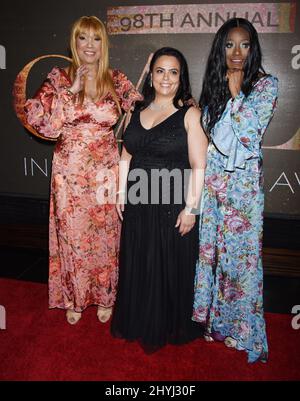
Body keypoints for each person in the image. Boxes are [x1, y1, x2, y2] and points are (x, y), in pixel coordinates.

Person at [24, 16, 142, 324]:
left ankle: (105, 296)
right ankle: (75, 298)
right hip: (70, 172)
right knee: (74, 237)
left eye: (96, 39)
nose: (89, 46)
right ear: (74, 43)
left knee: (105, 237)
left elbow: (146, 108)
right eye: (83, 39)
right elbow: (44, 127)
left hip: (106, 168)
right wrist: (69, 91)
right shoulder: (58, 80)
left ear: (105, 44)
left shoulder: (116, 79)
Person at [192, 18, 278, 363]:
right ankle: (215, 322)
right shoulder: (213, 86)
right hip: (215, 183)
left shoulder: (267, 86)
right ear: (221, 49)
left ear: (253, 47)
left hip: (243, 189)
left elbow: (248, 133)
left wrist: (234, 90)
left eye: (244, 44)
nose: (237, 52)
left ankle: (240, 329)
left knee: (240, 259)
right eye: (230, 44)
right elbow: (211, 135)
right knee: (212, 253)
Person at [111, 47, 208, 352]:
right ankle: (140, 318)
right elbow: (126, 155)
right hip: (139, 203)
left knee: (167, 265)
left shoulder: (191, 114)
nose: (166, 78)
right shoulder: (137, 112)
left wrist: (192, 208)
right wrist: (120, 191)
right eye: (160, 71)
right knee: (141, 262)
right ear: (151, 76)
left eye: (173, 72)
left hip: (172, 205)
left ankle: (168, 322)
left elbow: (199, 165)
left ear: (182, 78)